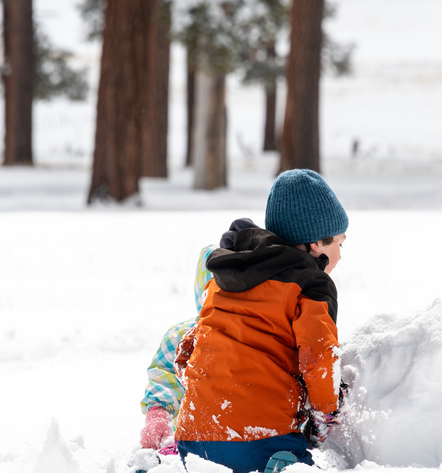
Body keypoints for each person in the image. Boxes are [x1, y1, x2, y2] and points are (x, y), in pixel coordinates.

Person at [174, 169, 349, 473]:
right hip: (259, 438)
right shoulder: (312, 286)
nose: (341, 255)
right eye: (340, 244)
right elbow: (318, 356)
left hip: (192, 435)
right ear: (317, 244)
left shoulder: (225, 275)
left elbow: (187, 348)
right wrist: (327, 412)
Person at [139, 219, 259, 452]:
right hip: (195, 433)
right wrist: (158, 413)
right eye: (215, 293)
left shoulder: (261, 332)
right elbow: (165, 375)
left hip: (251, 433)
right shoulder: (181, 336)